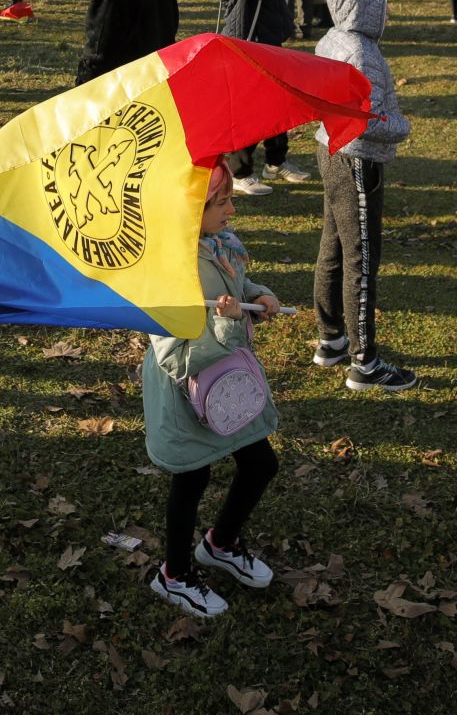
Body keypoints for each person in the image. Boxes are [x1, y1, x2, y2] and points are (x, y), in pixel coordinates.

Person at [143, 164, 284, 619]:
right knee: (192, 477)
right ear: (189, 212)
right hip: (188, 393)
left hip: (231, 382)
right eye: (220, 202)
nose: (231, 207)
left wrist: (257, 296)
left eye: (227, 199)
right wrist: (226, 324)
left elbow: (236, 286)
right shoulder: (168, 269)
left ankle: (220, 544)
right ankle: (174, 575)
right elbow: (173, 358)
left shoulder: (220, 245)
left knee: (260, 462)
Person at [311, 0, 416, 392]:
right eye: (383, 2)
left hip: (329, 150)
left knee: (334, 244)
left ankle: (331, 337)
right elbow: (367, 120)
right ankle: (365, 362)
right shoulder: (361, 52)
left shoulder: (333, 38)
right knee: (362, 256)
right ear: (364, 5)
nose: (387, 10)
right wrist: (403, 126)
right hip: (356, 159)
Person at [215, 0, 315, 196]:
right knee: (248, 109)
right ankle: (239, 172)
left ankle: (276, 160)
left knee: (278, 103)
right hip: (246, 42)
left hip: (271, 39)